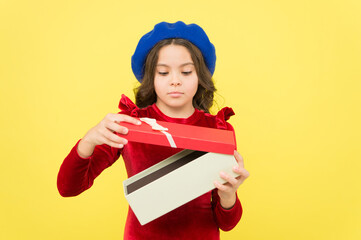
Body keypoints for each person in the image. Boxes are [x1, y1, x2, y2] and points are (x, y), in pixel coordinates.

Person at [57, 21, 250, 240]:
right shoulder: (131, 125)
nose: (175, 81)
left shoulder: (216, 129)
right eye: (163, 72)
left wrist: (228, 195)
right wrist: (89, 141)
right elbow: (68, 188)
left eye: (186, 72)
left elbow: (227, 224)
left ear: (200, 76)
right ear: (151, 77)